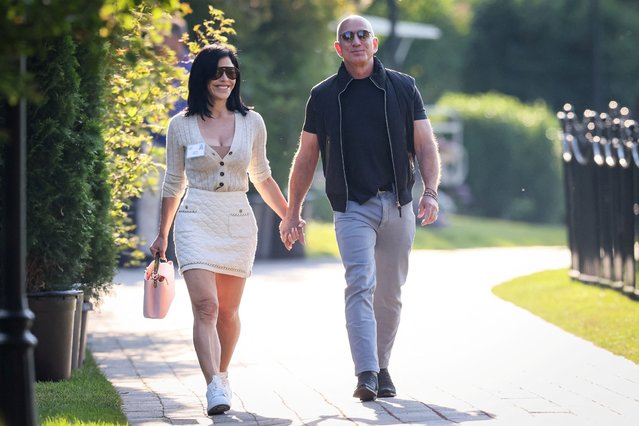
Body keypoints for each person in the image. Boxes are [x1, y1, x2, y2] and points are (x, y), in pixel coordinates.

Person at [279, 15, 441, 402]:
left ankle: (382, 367)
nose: (355, 41)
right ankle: (365, 372)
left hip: (399, 204)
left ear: (374, 43)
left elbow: (425, 144)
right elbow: (306, 156)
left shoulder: (404, 88)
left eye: (362, 35)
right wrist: (292, 211)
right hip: (352, 207)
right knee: (359, 284)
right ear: (339, 48)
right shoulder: (324, 95)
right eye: (347, 37)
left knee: (390, 294)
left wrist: (430, 191)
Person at [150, 44, 289, 416]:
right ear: (203, 77)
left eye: (231, 73)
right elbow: (173, 183)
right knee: (206, 307)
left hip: (238, 221)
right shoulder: (179, 125)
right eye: (218, 72)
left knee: (228, 312)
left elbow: (262, 175)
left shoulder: (252, 123)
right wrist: (162, 233)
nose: (225, 79)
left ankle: (223, 373)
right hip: (195, 215)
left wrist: (289, 216)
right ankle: (213, 385)